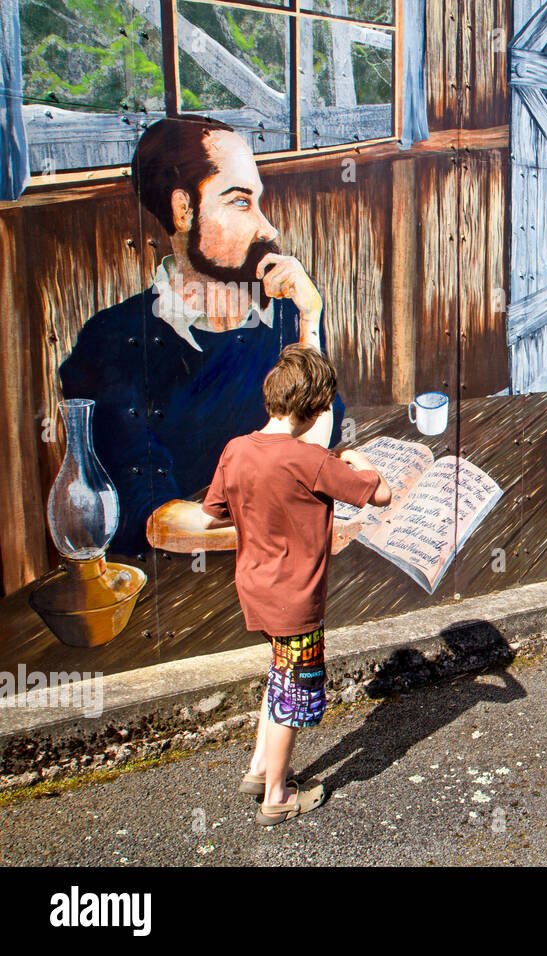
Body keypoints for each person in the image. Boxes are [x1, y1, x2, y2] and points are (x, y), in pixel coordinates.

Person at [59, 114, 343, 556]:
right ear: (183, 210)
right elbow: (151, 514)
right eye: (241, 203)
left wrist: (311, 321)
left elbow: (325, 428)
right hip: (178, 591)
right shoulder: (111, 343)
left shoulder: (280, 314)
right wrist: (287, 527)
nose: (268, 229)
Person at [199, 345, 391, 826]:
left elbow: (212, 513)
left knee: (278, 671)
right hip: (296, 600)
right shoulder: (313, 461)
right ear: (315, 409)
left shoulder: (236, 449)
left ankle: (260, 768)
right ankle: (278, 797)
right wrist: (358, 457)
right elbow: (380, 493)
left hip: (255, 589)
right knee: (292, 694)